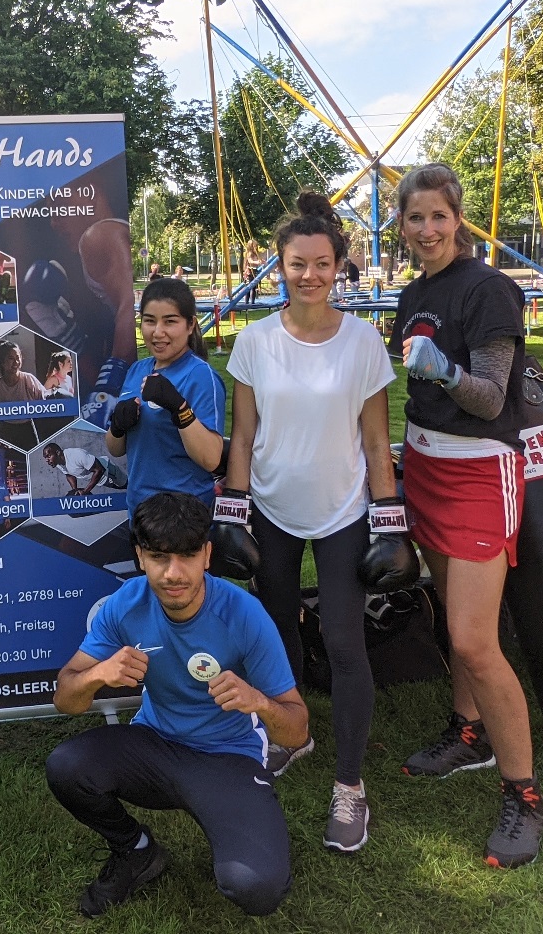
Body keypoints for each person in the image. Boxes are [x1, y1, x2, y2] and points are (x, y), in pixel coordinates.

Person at [224, 192, 400, 852]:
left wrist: (390, 522)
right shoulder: (254, 340)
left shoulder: (362, 341)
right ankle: (293, 735)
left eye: (322, 263)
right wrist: (232, 512)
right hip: (271, 508)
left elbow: (377, 442)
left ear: (338, 266)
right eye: (297, 263)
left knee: (344, 642)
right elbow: (243, 437)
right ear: (280, 265)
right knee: (276, 634)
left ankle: (350, 785)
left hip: (342, 510)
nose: (309, 275)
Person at [387, 163, 543, 869]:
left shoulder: (488, 288)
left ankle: (525, 795)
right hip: (425, 465)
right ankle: (468, 731)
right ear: (401, 224)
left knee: (476, 641)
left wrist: (445, 371)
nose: (427, 229)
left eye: (438, 216)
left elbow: (490, 397)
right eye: (414, 217)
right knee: (452, 616)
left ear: (459, 219)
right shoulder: (413, 294)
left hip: (480, 471)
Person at [46, 493, 306, 918]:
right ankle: (136, 850)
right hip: (155, 743)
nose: (173, 573)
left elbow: (296, 731)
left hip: (226, 755)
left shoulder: (244, 614)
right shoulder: (126, 604)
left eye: (187, 556)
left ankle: (240, 825)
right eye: (158, 557)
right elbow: (65, 699)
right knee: (67, 766)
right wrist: (97, 675)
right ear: (140, 557)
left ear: (207, 555)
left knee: (256, 888)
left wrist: (258, 702)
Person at [104, 277, 225, 509]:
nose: (158, 332)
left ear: (190, 325)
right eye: (150, 321)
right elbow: (115, 449)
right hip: (140, 509)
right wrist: (118, 425)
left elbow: (211, 459)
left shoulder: (200, 375)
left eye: (170, 321)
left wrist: (180, 409)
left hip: (184, 512)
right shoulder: (136, 370)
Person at [41, 442, 126, 495]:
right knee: (123, 487)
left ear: (58, 453)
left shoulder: (77, 455)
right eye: (45, 458)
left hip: (108, 472)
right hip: (100, 480)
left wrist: (86, 490)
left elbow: (99, 470)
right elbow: (69, 475)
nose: (47, 460)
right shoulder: (58, 462)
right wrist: (74, 490)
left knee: (127, 485)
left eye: (49, 456)